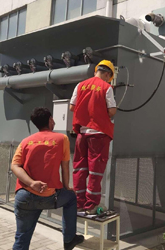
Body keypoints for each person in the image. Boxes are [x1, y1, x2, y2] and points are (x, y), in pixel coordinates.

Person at [11, 107, 84, 250]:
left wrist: (32, 183)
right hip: (49, 196)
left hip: (24, 195)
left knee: (22, 237)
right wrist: (66, 186)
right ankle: (69, 239)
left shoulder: (26, 141)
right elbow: (65, 166)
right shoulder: (61, 139)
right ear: (50, 120)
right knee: (71, 198)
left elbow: (14, 166)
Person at [69, 60, 117, 214]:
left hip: (81, 134)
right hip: (98, 134)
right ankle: (91, 206)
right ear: (108, 74)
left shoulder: (80, 85)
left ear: (96, 70)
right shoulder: (106, 87)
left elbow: (71, 107)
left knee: (80, 168)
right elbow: (112, 112)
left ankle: (78, 203)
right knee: (95, 170)